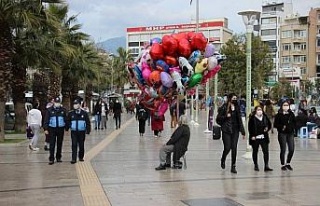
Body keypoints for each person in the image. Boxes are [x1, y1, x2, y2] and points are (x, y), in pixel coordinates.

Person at [216, 93, 245, 174]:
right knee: (227, 147)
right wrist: (226, 116)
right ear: (229, 98)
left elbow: (239, 119)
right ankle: (223, 158)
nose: (234, 100)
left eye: (236, 98)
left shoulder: (237, 107)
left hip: (235, 130)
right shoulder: (224, 107)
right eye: (233, 98)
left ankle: (233, 166)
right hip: (226, 130)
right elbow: (218, 119)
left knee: (234, 148)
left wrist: (243, 131)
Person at [248, 106, 273, 172]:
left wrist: (267, 128)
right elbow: (250, 128)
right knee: (255, 151)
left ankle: (266, 165)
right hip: (255, 138)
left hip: (263, 137)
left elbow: (269, 125)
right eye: (258, 110)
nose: (260, 111)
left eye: (261, 110)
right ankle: (256, 165)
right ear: (255, 111)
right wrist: (252, 136)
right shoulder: (252, 118)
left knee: (266, 151)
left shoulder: (265, 117)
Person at [43, 97, 67, 165]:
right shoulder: (49, 110)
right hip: (52, 129)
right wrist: (45, 129)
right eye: (56, 102)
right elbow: (46, 120)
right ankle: (51, 159)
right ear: (54, 103)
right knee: (52, 144)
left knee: (59, 144)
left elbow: (65, 119)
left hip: (60, 129)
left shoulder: (63, 110)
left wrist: (66, 127)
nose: (57, 104)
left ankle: (58, 157)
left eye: (58, 102)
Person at [66, 99, 91, 164]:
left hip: (82, 131)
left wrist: (88, 130)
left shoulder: (84, 113)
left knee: (81, 145)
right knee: (74, 144)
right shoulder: (71, 113)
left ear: (79, 104)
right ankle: (73, 158)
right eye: (74, 104)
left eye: (76, 104)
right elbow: (68, 121)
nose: (75, 105)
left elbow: (87, 122)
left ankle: (81, 157)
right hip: (74, 131)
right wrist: (67, 127)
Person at [274, 100, 296, 171]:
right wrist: (281, 127)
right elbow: (275, 124)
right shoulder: (278, 115)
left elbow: (294, 123)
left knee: (291, 149)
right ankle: (283, 164)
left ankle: (288, 163)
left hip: (290, 133)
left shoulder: (291, 114)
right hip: (282, 133)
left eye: (287, 105)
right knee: (283, 149)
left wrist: (292, 127)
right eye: (284, 105)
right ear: (281, 106)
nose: (286, 107)